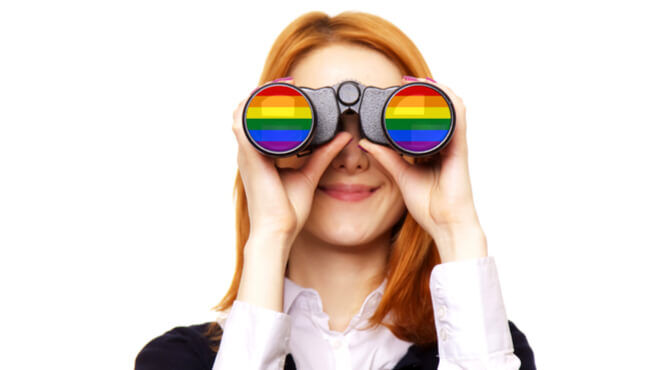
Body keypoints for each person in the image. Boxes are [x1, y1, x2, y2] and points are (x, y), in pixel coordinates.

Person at [135, 10, 536, 370]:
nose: (351, 158)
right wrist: (270, 235)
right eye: (308, 123)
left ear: (421, 151)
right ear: (264, 146)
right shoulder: (178, 359)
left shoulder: (486, 348)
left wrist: (456, 230)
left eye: (389, 122)